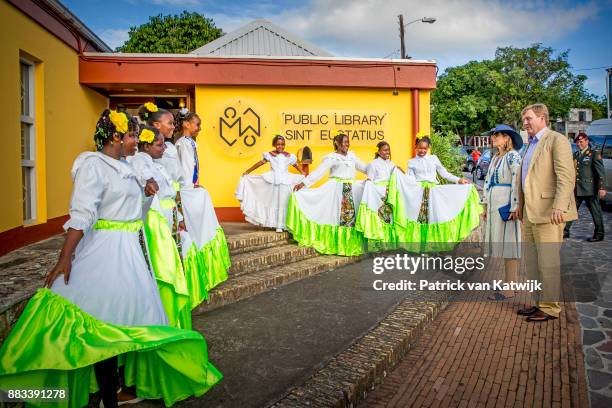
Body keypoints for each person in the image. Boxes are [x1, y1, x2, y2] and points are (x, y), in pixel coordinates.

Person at [0, 110, 221, 408]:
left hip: (129, 254)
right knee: (102, 328)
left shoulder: (126, 167)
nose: (136, 141)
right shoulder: (93, 166)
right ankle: (98, 397)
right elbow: (82, 214)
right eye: (131, 135)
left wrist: (145, 194)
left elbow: (135, 215)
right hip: (104, 254)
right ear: (116, 137)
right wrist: (66, 258)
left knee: (123, 326)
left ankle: (113, 391)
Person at [517, 103, 577, 322]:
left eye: (528, 118)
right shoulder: (530, 144)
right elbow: (527, 178)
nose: (525, 123)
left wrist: (559, 205)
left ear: (542, 118)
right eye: (524, 119)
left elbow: (566, 176)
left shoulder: (556, 140)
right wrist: (520, 206)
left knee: (548, 263)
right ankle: (538, 303)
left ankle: (550, 307)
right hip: (530, 213)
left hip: (550, 213)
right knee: (533, 263)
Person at [128, 126, 191, 329]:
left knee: (172, 263)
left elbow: (170, 192)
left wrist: (179, 217)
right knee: (164, 267)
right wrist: (149, 181)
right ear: (145, 145)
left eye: (164, 143)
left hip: (168, 216)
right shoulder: (140, 160)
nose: (164, 148)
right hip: (157, 220)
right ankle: (164, 314)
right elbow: (145, 177)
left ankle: (170, 315)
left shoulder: (157, 163)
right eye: (159, 144)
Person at [173, 108, 231, 308]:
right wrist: (188, 186)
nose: (200, 128)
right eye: (197, 124)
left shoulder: (190, 143)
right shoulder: (182, 144)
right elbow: (184, 168)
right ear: (186, 124)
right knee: (196, 221)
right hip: (186, 189)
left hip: (191, 186)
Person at [386, 136, 481, 251]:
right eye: (420, 148)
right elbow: (410, 180)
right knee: (419, 219)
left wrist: (458, 180)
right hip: (418, 193)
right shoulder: (411, 162)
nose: (422, 151)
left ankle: (435, 246)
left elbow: (444, 173)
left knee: (435, 217)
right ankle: (421, 247)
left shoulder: (433, 159)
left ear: (428, 148)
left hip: (433, 192)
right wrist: (400, 174)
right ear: (415, 147)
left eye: (425, 148)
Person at [289, 133, 368, 256]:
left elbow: (366, 168)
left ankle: (349, 246)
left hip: (351, 190)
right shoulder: (332, 157)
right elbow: (319, 172)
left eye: (348, 142)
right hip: (336, 191)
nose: (347, 144)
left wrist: (384, 171)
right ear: (337, 143)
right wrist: (303, 183)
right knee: (336, 218)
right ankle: (338, 245)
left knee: (351, 219)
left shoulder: (352, 157)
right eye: (344, 142)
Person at [482, 125, 523, 301]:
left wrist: (515, 206)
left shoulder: (512, 156)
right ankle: (510, 283)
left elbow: (516, 181)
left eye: (496, 135)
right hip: (494, 204)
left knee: (510, 244)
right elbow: (487, 182)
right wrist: (484, 205)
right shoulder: (495, 157)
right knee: (505, 244)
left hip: (506, 204)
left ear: (506, 138)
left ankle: (510, 287)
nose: (493, 138)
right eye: (492, 135)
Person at [236, 135, 305, 232]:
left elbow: (295, 165)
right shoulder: (270, 155)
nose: (280, 146)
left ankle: (283, 224)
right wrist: (248, 171)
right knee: (274, 202)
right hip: (273, 180)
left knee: (283, 202)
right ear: (274, 145)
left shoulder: (289, 156)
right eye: (278, 144)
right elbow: (260, 163)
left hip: (285, 180)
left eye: (282, 144)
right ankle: (275, 224)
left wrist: (302, 172)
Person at [356, 141, 412, 244]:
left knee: (388, 219)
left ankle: (387, 246)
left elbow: (398, 177)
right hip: (377, 196)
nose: (387, 152)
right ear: (378, 152)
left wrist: (399, 170)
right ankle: (377, 247)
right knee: (378, 219)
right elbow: (370, 181)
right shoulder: (373, 164)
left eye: (388, 150)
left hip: (389, 195)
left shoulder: (391, 164)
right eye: (385, 150)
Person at [563, 132, 606, 241]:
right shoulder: (576, 155)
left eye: (581, 142)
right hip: (577, 189)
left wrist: (601, 188)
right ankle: (565, 231)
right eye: (577, 142)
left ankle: (599, 234)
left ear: (587, 141)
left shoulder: (594, 154)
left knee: (595, 212)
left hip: (590, 189)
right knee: (571, 210)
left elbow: (600, 172)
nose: (579, 144)